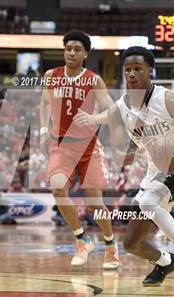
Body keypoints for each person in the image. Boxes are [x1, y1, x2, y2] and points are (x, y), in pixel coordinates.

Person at [109, 46, 174, 290]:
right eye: (127, 69)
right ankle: (166, 262)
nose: (132, 74)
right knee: (132, 244)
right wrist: (127, 156)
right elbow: (127, 151)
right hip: (155, 171)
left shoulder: (168, 99)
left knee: (148, 203)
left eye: (138, 69)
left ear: (150, 71)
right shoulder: (121, 109)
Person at [39, 30, 119, 269]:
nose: (71, 53)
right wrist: (43, 131)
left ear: (85, 54)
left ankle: (111, 245)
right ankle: (82, 240)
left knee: (95, 203)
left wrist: (95, 119)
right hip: (61, 146)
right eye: (68, 49)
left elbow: (112, 111)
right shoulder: (51, 76)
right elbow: (44, 104)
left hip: (88, 148)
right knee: (57, 189)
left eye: (76, 50)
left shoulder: (93, 80)